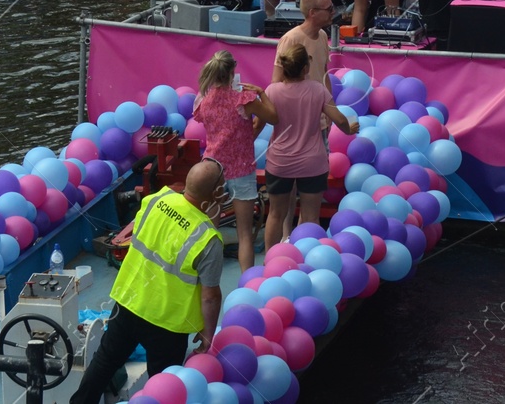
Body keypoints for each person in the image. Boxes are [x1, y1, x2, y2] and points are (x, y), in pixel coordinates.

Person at [67, 160, 225, 404]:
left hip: (129, 300)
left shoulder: (156, 200)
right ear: (215, 193)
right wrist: (207, 334)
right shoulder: (208, 239)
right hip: (167, 323)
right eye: (222, 187)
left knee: (105, 361)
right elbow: (210, 296)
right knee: (162, 386)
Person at [260, 44, 357, 246]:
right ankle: (308, 259)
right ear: (306, 68)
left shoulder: (272, 91)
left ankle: (269, 259)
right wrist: (350, 129)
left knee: (276, 214)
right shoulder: (318, 90)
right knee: (311, 218)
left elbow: (260, 122)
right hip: (312, 163)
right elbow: (339, 120)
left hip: (279, 162)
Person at [192, 51, 277, 276]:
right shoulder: (243, 100)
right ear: (231, 73)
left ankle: (202, 276)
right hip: (241, 170)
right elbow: (272, 116)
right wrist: (261, 93)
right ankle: (247, 280)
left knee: (208, 230)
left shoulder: (203, 101)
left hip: (212, 169)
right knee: (244, 234)